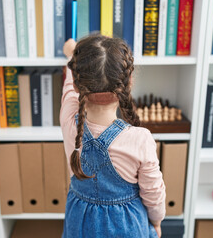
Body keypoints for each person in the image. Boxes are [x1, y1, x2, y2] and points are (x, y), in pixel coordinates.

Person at [60, 34, 166, 238]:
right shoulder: (140, 138)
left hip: (79, 221)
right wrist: (156, 221)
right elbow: (153, 195)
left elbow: (69, 89)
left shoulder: (68, 118)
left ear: (77, 83)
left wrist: (71, 54)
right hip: (128, 226)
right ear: (128, 84)